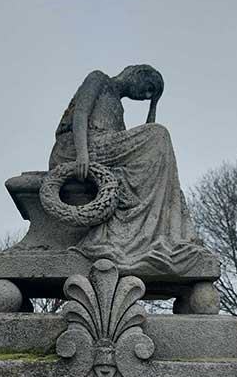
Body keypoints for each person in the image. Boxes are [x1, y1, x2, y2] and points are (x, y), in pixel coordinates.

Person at [49, 64, 207, 274]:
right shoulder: (100, 79)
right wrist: (82, 154)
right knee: (158, 134)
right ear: (137, 74)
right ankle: (153, 235)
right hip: (78, 147)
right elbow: (80, 114)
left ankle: (157, 235)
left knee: (156, 144)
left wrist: (154, 106)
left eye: (151, 95)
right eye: (149, 88)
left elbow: (144, 153)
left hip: (104, 148)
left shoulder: (118, 106)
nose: (146, 95)